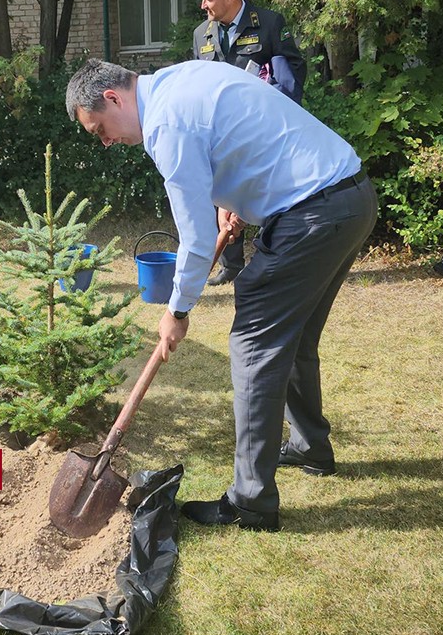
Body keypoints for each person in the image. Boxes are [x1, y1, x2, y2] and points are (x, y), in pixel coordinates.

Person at [65, 58, 377, 532]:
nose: (107, 142)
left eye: (101, 129)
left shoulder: (166, 126)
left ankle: (251, 502)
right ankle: (311, 447)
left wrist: (177, 310)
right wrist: (232, 202)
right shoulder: (180, 79)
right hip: (349, 199)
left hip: (313, 215)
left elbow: (190, 242)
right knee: (293, 337)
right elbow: (242, 133)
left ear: (113, 98)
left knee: (254, 343)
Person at [193, 0, 307, 287]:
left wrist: (279, 122)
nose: (204, 6)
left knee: (268, 193)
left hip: (263, 128)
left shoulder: (269, 23)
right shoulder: (202, 33)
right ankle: (231, 265)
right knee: (225, 193)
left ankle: (272, 261)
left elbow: (290, 73)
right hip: (223, 133)